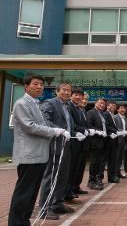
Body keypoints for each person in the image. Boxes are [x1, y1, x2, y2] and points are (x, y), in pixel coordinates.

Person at [8, 74, 66, 226]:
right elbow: (29, 126)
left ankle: (24, 221)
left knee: (32, 193)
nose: (39, 87)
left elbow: (44, 124)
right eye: (35, 84)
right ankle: (16, 222)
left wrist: (56, 129)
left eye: (41, 84)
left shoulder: (36, 104)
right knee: (24, 192)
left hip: (39, 155)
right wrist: (53, 132)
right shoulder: (21, 104)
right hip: (29, 155)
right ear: (26, 86)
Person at [39, 82, 75, 219]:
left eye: (68, 91)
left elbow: (69, 124)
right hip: (54, 144)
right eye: (64, 90)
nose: (66, 93)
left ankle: (57, 204)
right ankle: (44, 209)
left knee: (62, 176)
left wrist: (75, 132)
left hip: (66, 145)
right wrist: (57, 130)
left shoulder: (67, 106)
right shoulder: (50, 103)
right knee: (50, 177)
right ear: (57, 91)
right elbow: (43, 120)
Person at [65, 87, 88, 203]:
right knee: (72, 168)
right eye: (76, 95)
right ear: (71, 96)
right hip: (73, 140)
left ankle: (74, 187)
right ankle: (68, 191)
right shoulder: (69, 107)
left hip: (81, 141)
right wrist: (83, 130)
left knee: (78, 167)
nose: (79, 97)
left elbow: (81, 124)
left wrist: (86, 130)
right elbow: (72, 125)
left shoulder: (79, 109)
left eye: (81, 96)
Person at [86, 98, 108, 190]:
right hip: (94, 141)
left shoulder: (101, 114)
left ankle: (96, 180)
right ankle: (91, 181)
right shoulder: (91, 113)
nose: (102, 105)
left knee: (99, 162)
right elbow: (89, 125)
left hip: (102, 141)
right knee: (94, 162)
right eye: (100, 103)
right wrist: (98, 131)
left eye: (104, 104)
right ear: (96, 103)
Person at [72, 92, 91, 195]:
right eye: (82, 99)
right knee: (74, 167)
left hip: (84, 143)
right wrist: (84, 130)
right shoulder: (74, 110)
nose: (84, 101)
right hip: (76, 142)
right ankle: (71, 188)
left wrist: (89, 130)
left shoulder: (83, 111)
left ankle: (76, 186)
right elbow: (73, 125)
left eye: (86, 100)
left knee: (81, 167)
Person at [99, 101, 119, 183]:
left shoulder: (112, 115)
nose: (113, 107)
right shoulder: (105, 114)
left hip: (113, 141)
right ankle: (99, 178)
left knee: (112, 160)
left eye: (115, 106)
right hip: (107, 141)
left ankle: (111, 177)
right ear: (107, 106)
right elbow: (106, 126)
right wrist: (115, 132)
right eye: (112, 105)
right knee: (103, 160)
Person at [114, 104, 127, 178]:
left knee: (120, 157)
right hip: (117, 140)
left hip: (123, 140)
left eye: (124, 108)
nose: (123, 110)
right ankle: (114, 173)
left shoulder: (125, 118)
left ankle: (118, 172)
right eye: (121, 108)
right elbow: (114, 128)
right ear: (117, 110)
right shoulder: (115, 117)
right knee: (116, 157)